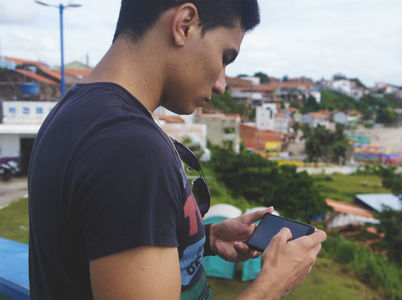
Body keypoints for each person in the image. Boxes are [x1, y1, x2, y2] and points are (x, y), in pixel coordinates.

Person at [28, 0, 327, 299]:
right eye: (225, 57)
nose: (222, 83)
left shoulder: (78, 111)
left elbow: (99, 241)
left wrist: (203, 241)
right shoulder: (130, 147)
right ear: (184, 24)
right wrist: (273, 285)